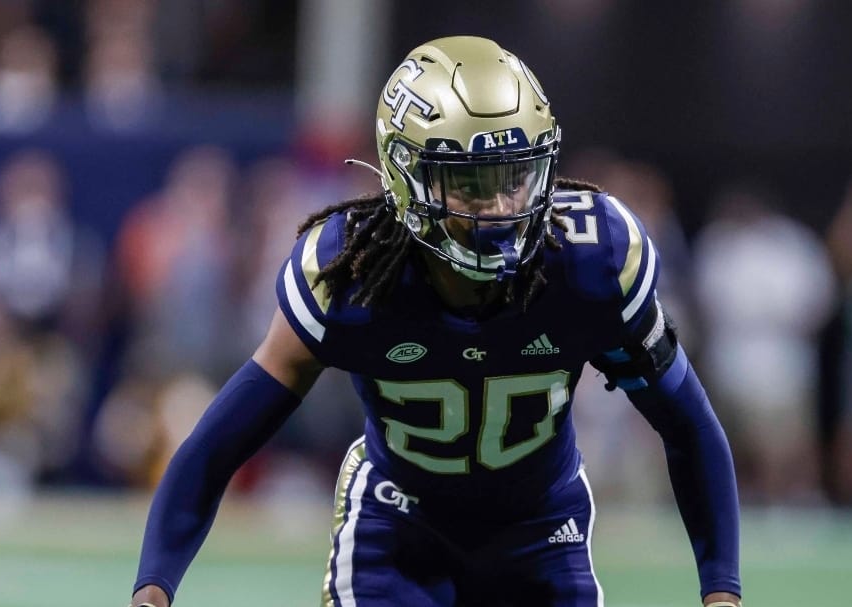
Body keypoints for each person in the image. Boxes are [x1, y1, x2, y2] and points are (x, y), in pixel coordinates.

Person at [129, 36, 741, 607]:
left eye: (516, 175)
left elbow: (687, 422)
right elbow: (221, 441)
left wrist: (722, 591)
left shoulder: (590, 261)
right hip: (397, 530)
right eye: (472, 182)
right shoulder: (352, 272)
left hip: (541, 529)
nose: (501, 207)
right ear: (406, 176)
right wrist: (154, 586)